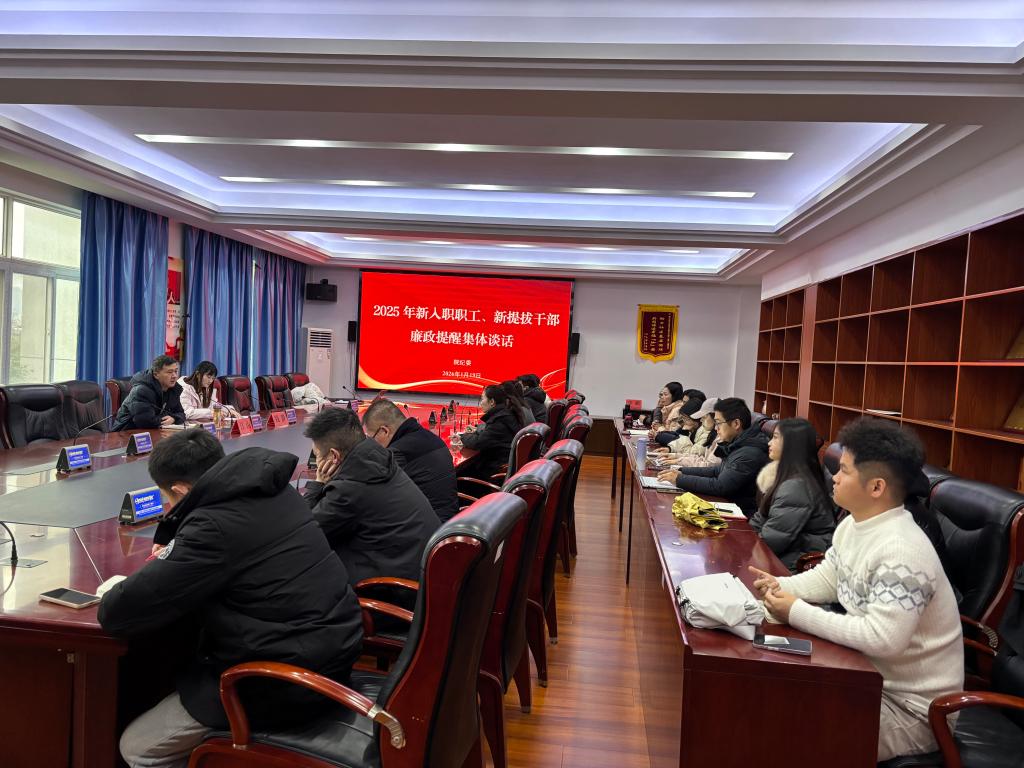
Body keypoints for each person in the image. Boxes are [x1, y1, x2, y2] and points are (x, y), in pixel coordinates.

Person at [98, 430, 363, 768]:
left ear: (180, 490)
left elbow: (116, 612)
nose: (168, 507)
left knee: (138, 747)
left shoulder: (214, 526)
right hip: (333, 654)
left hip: (285, 682)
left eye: (167, 499)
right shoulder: (274, 490)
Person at [750, 417, 963, 762]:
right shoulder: (853, 524)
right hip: (863, 678)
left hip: (913, 713)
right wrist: (778, 586)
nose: (834, 477)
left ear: (876, 487)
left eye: (844, 471)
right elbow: (829, 579)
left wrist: (796, 611)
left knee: (791, 734)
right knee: (769, 700)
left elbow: (882, 638)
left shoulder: (902, 551)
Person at [303, 407, 441, 588]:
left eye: (318, 456)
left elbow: (303, 532)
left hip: (393, 589)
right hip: (423, 573)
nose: (316, 463)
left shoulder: (349, 488)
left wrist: (318, 483)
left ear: (334, 456)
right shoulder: (379, 459)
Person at [657, 397, 769, 517]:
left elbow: (720, 486)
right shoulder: (738, 444)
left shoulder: (749, 453)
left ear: (736, 424)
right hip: (727, 506)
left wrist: (679, 479)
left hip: (740, 515)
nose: (716, 428)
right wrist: (681, 471)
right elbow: (717, 470)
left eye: (719, 423)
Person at [749, 418, 836, 572]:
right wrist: (744, 537)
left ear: (792, 445)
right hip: (784, 552)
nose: (769, 443)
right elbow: (761, 516)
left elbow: (772, 541)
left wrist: (745, 550)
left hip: (797, 562)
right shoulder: (784, 474)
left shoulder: (796, 486)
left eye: (775, 438)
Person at [362, 398, 460, 522]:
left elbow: (371, 495)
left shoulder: (397, 453)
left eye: (371, 439)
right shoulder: (434, 438)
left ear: (384, 431)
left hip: (429, 528)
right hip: (449, 521)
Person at [456, 384, 523, 482]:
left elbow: (477, 443)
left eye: (482, 399)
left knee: (457, 473)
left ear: (492, 402)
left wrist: (461, 436)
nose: (480, 403)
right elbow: (487, 436)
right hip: (500, 465)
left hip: (494, 472)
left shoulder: (499, 421)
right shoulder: (506, 414)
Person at [112, 354, 186, 430]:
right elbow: (145, 422)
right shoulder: (142, 391)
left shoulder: (173, 389)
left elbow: (181, 413)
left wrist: (173, 419)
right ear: (156, 374)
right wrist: (166, 419)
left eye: (176, 371)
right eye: (169, 372)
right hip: (126, 433)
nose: (174, 376)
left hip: (155, 431)